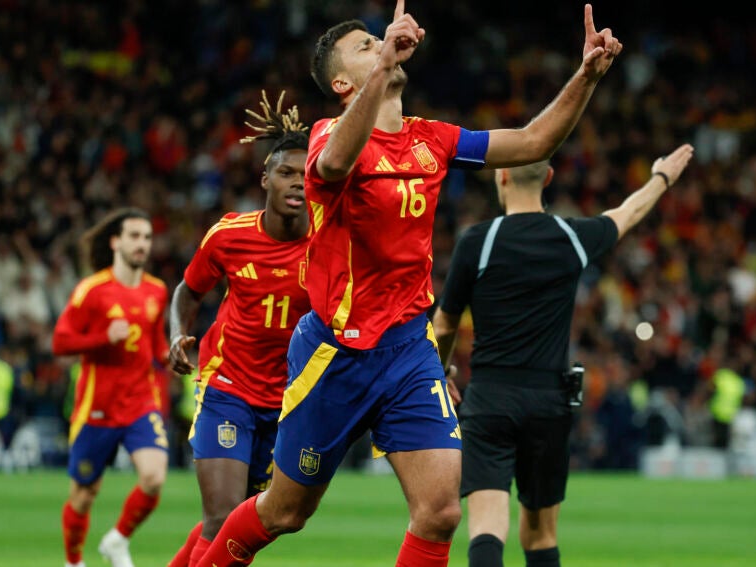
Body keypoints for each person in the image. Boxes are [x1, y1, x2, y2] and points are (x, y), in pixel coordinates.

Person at [195, 2, 623, 566]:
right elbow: (332, 166)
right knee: (284, 512)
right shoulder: (328, 135)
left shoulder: (433, 138)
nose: (381, 46)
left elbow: (531, 143)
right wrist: (383, 65)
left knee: (441, 511)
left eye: (381, 41)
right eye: (366, 46)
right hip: (335, 353)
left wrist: (586, 76)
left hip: (408, 349)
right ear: (342, 83)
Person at [432, 147, 694, 567]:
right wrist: (661, 178)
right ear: (549, 178)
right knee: (540, 534)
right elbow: (627, 213)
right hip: (548, 401)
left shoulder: (478, 241)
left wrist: (441, 372)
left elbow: (444, 324)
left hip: (490, 398)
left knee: (487, 526)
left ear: (501, 177)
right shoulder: (571, 237)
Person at [167, 91, 311, 567]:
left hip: (287, 401)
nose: (298, 182)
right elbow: (188, 291)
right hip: (228, 386)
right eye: (286, 173)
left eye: (307, 174)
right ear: (266, 178)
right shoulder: (230, 234)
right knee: (221, 517)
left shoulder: (329, 247)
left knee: (243, 527)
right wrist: (177, 333)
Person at [53, 207, 171, 567]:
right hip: (97, 407)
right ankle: (74, 562)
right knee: (84, 495)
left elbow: (155, 345)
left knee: (153, 477)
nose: (142, 244)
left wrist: (172, 355)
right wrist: (103, 337)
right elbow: (60, 343)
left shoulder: (157, 291)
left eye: (147, 237)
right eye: (134, 236)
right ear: (115, 242)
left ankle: (118, 540)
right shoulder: (91, 290)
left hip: (140, 403)